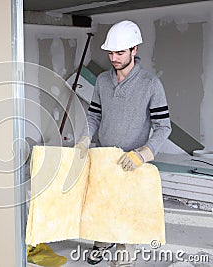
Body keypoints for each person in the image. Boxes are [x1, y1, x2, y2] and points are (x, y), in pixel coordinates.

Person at [75, 20, 172, 266]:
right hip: (103, 158)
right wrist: (86, 137)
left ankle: (123, 256)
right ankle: (101, 242)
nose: (114, 58)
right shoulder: (102, 81)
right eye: (111, 52)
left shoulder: (150, 84)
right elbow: (94, 114)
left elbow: (163, 127)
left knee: (125, 216)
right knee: (100, 206)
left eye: (120, 52)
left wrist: (144, 154)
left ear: (134, 50)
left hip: (131, 162)